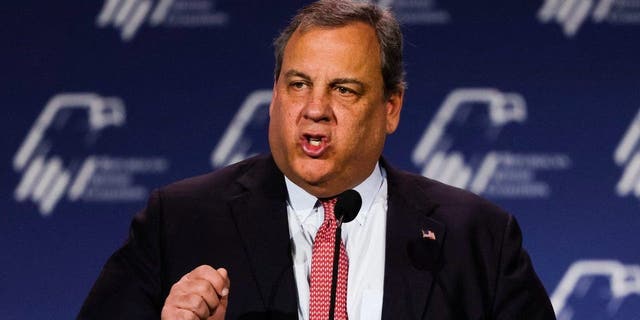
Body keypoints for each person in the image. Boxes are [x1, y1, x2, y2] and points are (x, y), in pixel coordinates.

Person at [79, 1, 556, 319]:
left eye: (343, 89)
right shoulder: (179, 222)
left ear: (391, 108)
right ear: (274, 95)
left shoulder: (478, 238)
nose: (314, 109)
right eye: (298, 84)